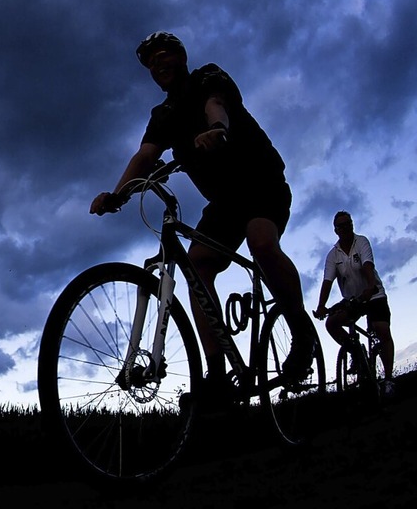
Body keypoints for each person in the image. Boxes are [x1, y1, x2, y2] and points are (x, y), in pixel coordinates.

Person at [90, 32, 316, 403]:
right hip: (225, 204)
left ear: (181, 57)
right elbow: (145, 158)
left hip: (261, 183)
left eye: (164, 56)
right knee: (197, 268)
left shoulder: (208, 78)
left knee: (261, 241)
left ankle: (301, 331)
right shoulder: (161, 116)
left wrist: (217, 130)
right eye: (150, 63)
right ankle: (217, 375)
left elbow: (216, 106)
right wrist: (117, 195)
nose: (157, 65)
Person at [313, 211, 396, 396]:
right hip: (353, 300)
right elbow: (327, 281)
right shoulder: (333, 255)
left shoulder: (362, 242)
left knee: (382, 330)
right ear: (335, 230)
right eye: (340, 226)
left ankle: (389, 378)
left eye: (348, 224)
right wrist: (321, 305)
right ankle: (355, 354)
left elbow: (368, 265)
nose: (345, 228)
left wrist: (370, 287)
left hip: (373, 294)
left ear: (352, 224)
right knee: (331, 323)